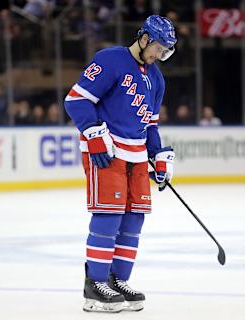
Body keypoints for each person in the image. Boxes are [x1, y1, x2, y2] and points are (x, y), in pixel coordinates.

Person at [64, 15, 177, 313]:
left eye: (165, 51)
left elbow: (150, 126)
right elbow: (76, 100)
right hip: (107, 151)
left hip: (137, 155)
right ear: (143, 38)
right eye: (158, 48)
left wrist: (158, 156)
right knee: (108, 216)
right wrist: (92, 132)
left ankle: (117, 280)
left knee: (134, 219)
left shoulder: (157, 79)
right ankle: (95, 285)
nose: (159, 55)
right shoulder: (110, 60)